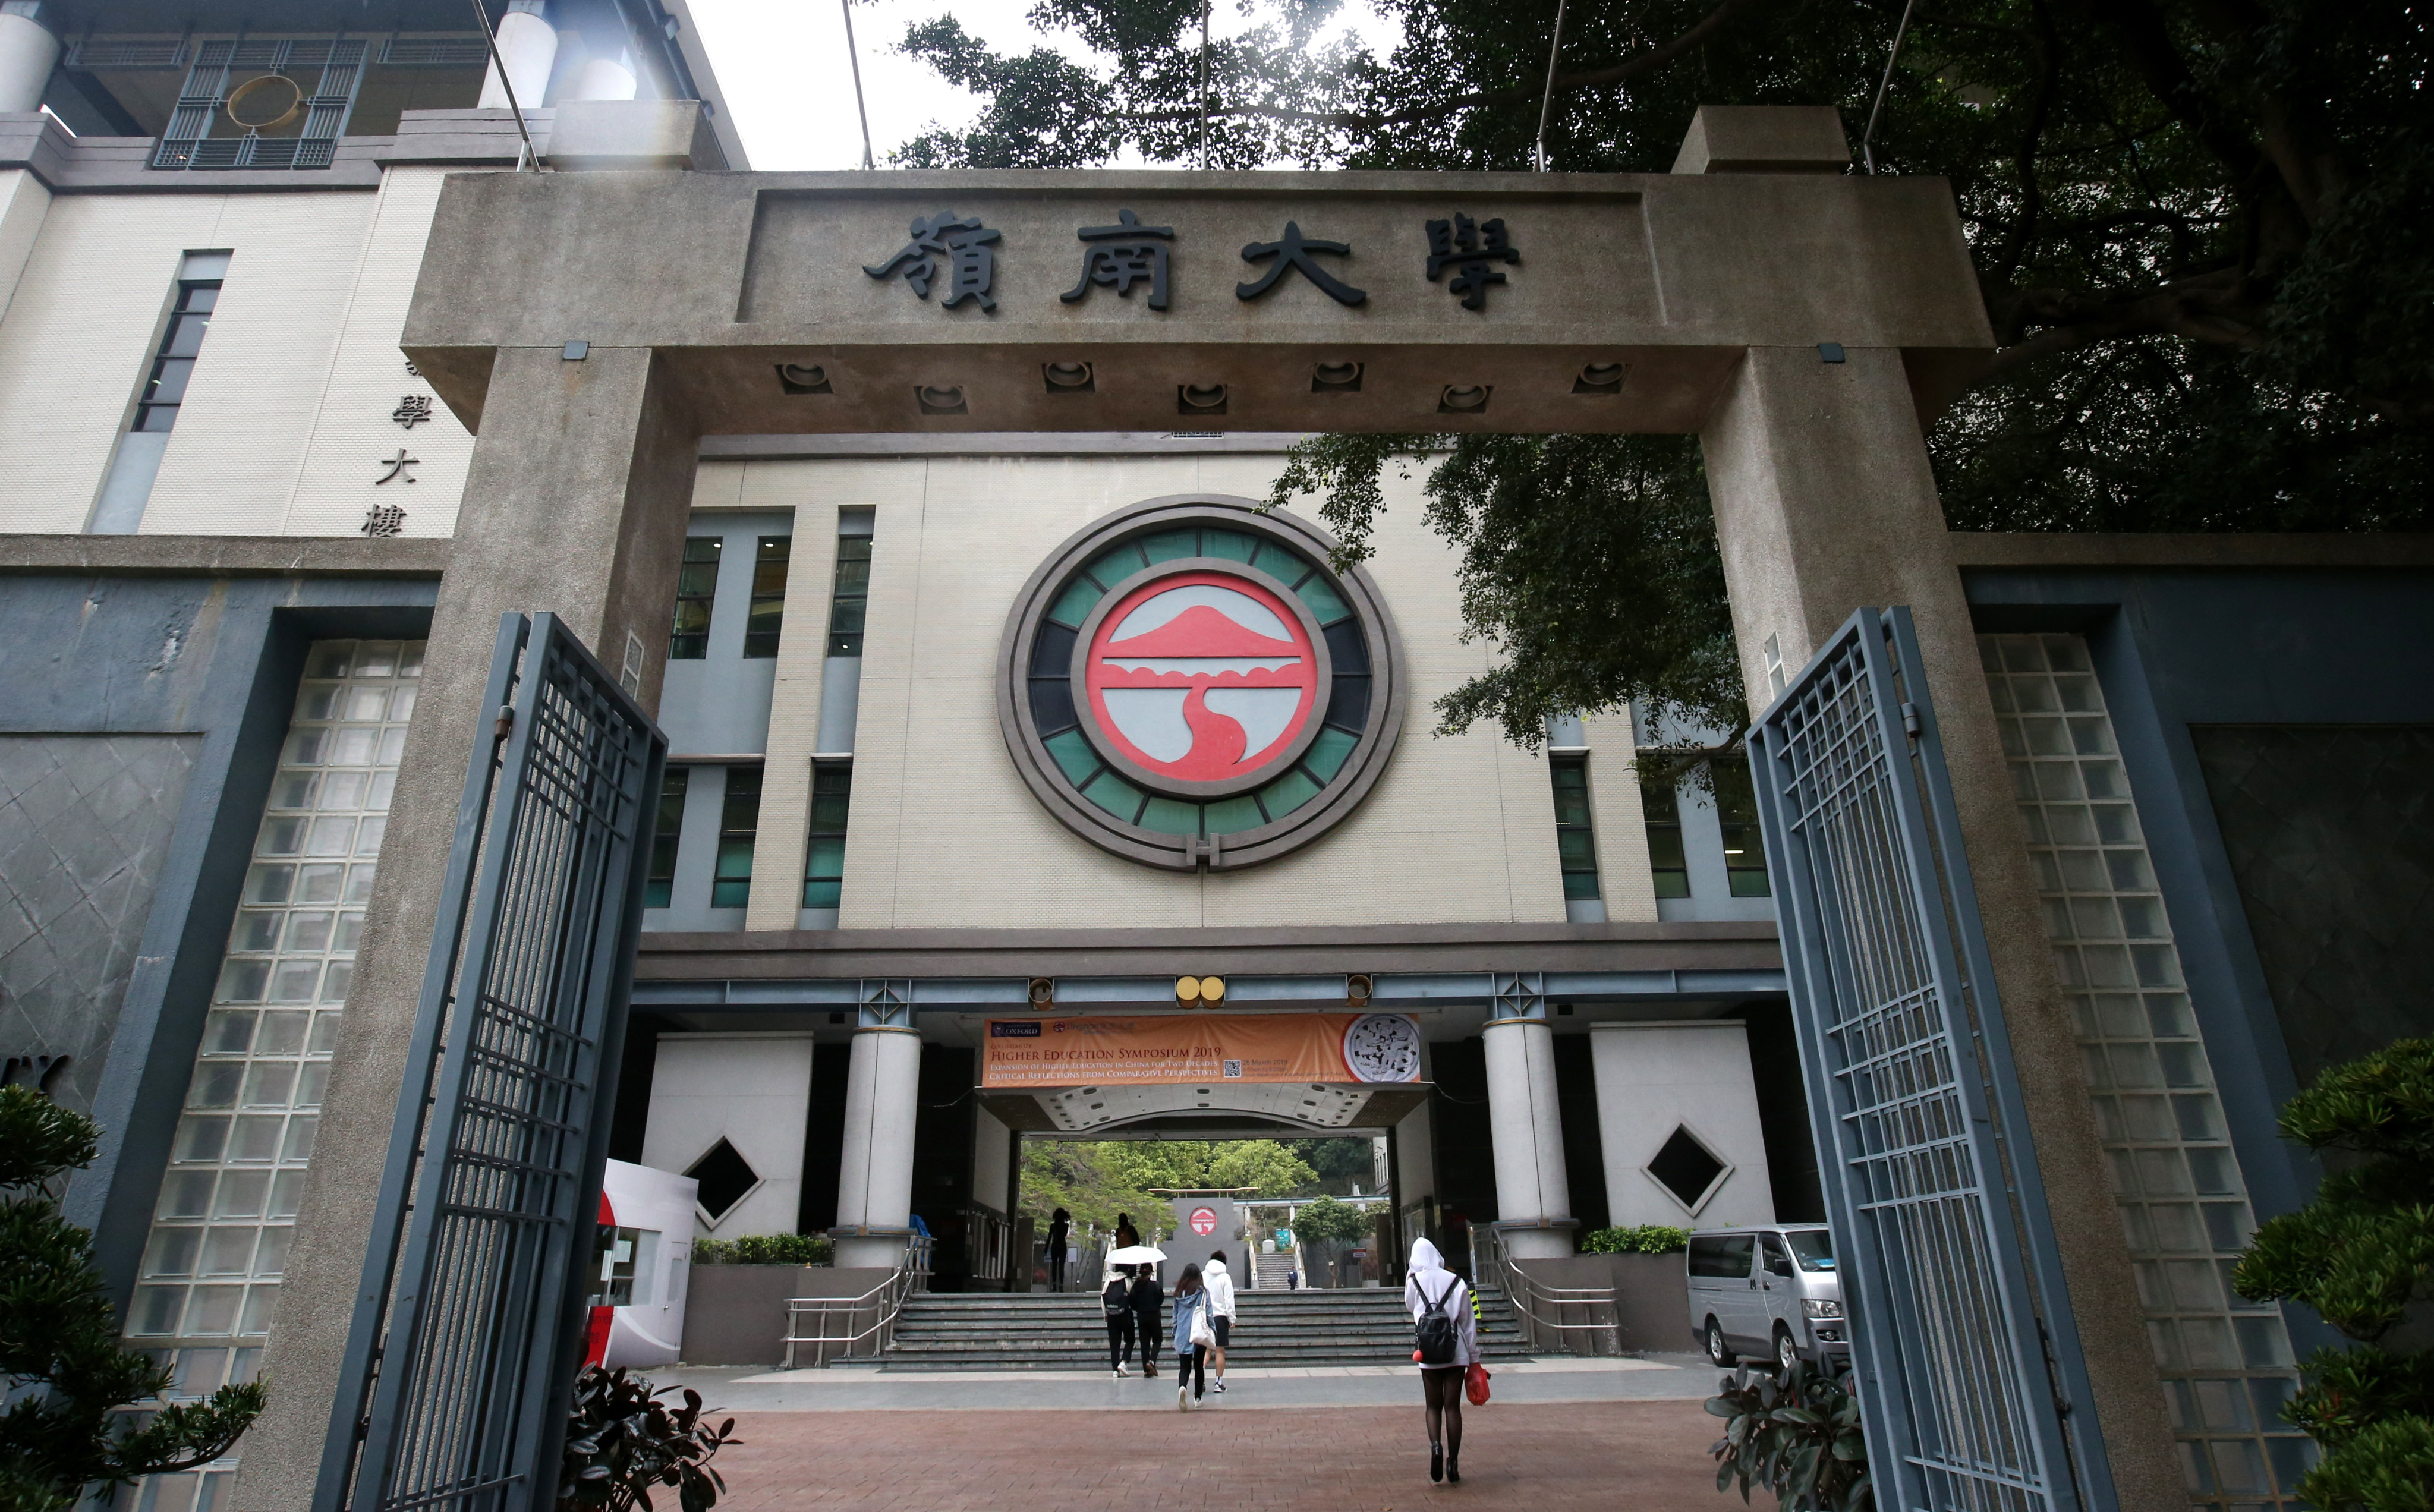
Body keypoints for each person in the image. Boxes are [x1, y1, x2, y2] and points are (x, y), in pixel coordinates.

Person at [1403, 1238, 1479, 1484]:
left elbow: (1410, 1307)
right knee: (1452, 1408)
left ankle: (1436, 1447)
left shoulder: (1414, 1281)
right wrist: (1474, 1356)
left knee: (1432, 1406)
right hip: (1455, 1351)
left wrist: (1411, 1274)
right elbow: (1468, 1323)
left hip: (1427, 1351)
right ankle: (1453, 1463)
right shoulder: (1456, 1281)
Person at [1170, 1262, 1213, 1410]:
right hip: (1199, 1333)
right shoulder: (1203, 1292)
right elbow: (1209, 1314)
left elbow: (1175, 1316)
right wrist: (1213, 1330)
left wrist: (1175, 1331)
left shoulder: (1178, 1293)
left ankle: (1183, 1387)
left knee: (1185, 1367)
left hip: (1183, 1332)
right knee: (1199, 1366)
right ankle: (1198, 1397)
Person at [1202, 1249, 1237, 1393]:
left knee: (1205, 1350)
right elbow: (1229, 1300)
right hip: (1220, 1318)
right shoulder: (1225, 1277)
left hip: (1205, 1317)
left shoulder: (1202, 1276)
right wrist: (1232, 1318)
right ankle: (1218, 1383)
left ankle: (1200, 1379)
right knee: (1220, 1351)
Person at [1128, 1263, 1164, 1379]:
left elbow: (1132, 1303)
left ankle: (1146, 1369)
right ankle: (1152, 1361)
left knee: (1145, 1343)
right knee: (1158, 1340)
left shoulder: (1135, 1287)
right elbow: (1161, 1299)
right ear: (1150, 1273)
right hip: (1154, 1315)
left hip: (1141, 1316)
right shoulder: (1156, 1285)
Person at [1103, 1263, 1136, 1378]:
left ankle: (1115, 1370)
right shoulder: (1127, 1281)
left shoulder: (1108, 1281)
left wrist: (1105, 1314)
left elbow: (1103, 1298)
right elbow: (1133, 1297)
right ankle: (1124, 1361)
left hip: (1111, 1315)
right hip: (1125, 1314)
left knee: (1114, 1344)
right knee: (1130, 1339)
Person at [1047, 1207, 1071, 1292]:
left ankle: (1054, 1284)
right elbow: (1064, 1235)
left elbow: (1050, 1237)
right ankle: (1061, 1284)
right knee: (1061, 1266)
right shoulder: (1066, 1226)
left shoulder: (1053, 1226)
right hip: (1062, 1246)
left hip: (1055, 1246)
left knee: (1054, 1266)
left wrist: (1046, 1248)